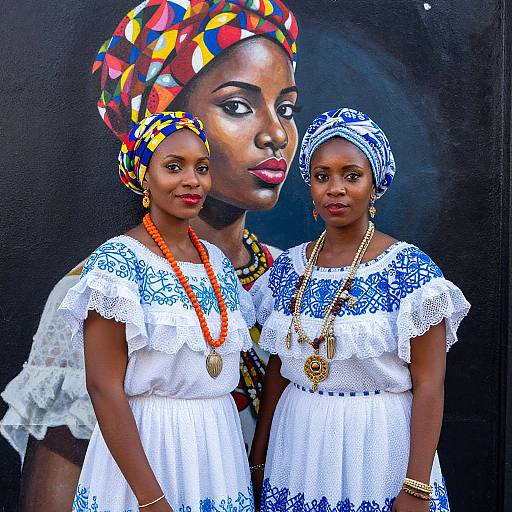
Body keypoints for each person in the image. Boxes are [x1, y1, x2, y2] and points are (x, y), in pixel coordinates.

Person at [0, 1, 299, 508]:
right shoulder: (100, 285)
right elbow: (52, 494)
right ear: (160, 126)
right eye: (237, 106)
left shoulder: (289, 277)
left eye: (286, 108)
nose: (274, 134)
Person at [249, 108, 471, 512]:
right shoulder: (288, 269)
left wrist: (417, 486)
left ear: (374, 185)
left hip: (378, 446)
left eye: (352, 175)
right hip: (297, 442)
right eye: (322, 176)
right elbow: (278, 374)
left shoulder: (409, 271)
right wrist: (259, 455)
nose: (336, 189)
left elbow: (429, 385)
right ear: (310, 186)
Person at [58, 111, 255, 511]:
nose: (191, 181)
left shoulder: (217, 264)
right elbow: (103, 386)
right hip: (147, 451)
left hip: (218, 449)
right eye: (173, 167)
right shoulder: (117, 263)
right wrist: (150, 500)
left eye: (202, 168)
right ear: (144, 177)